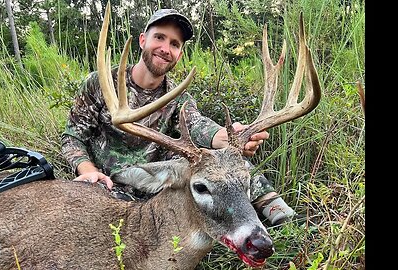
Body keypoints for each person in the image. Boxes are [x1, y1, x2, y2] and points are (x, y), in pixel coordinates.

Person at [61, 8, 296, 225]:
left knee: (228, 162)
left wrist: (225, 137)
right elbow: (73, 136)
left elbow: (197, 124)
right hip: (112, 184)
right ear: (143, 40)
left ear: (179, 54)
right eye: (160, 37)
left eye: (175, 44)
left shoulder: (178, 96)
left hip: (164, 183)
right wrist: (87, 170)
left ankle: (283, 219)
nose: (166, 48)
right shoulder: (101, 83)